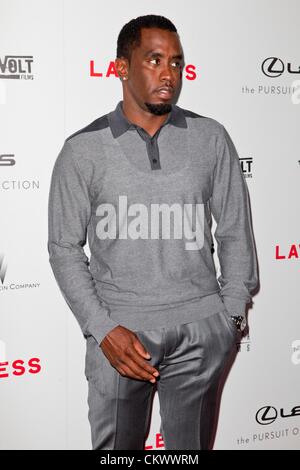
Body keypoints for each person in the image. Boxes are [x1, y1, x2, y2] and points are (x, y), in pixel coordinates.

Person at [47, 14, 258, 450]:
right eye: (155, 60)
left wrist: (230, 318)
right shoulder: (83, 149)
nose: (169, 74)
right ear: (121, 67)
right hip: (121, 338)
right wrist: (104, 330)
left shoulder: (211, 138)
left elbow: (235, 229)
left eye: (177, 63)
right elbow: (64, 248)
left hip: (202, 331)